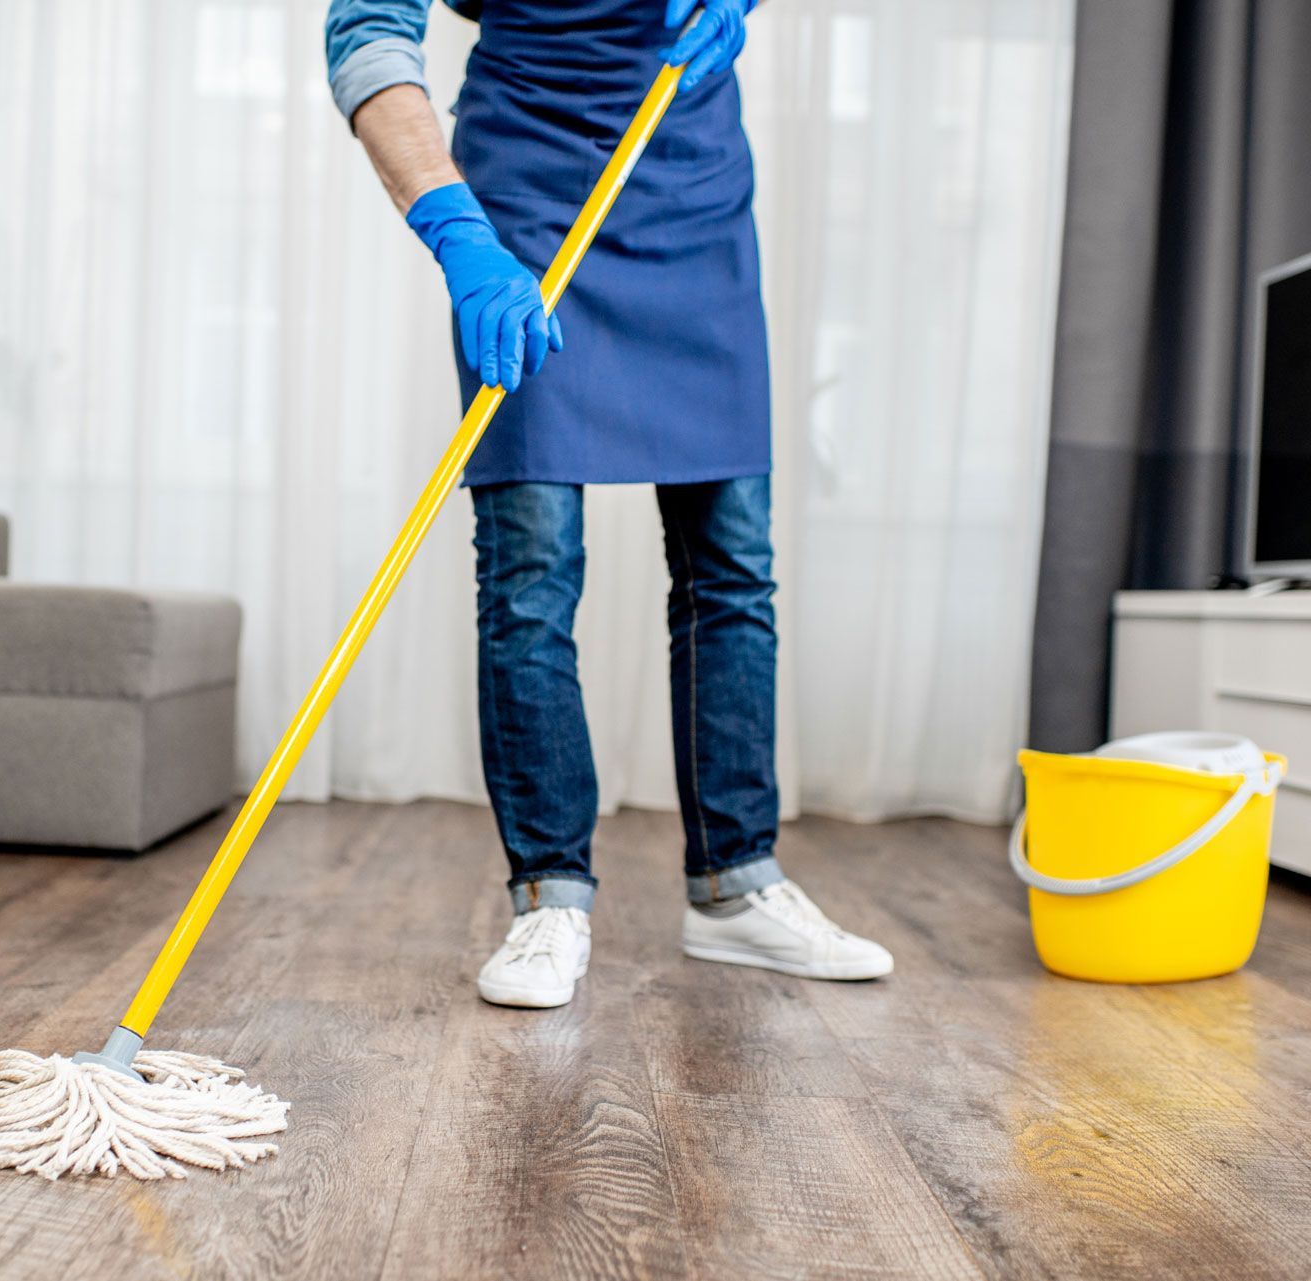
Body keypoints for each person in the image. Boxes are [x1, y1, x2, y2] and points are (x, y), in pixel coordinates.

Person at [325, 0, 893, 1008]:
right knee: (531, 561)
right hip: (525, 196)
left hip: (686, 178)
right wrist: (458, 236)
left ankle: (736, 886)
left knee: (731, 559)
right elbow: (369, 38)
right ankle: (550, 895)